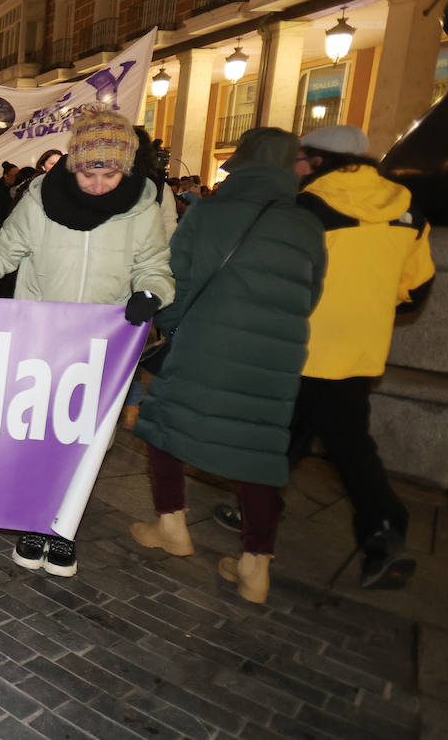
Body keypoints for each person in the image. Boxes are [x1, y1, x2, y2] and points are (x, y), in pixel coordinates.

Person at [0, 106, 173, 577]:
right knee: (39, 432)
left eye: (110, 172)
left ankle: (62, 530)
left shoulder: (143, 208)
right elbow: (5, 248)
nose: (99, 182)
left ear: (126, 168)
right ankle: (34, 519)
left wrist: (150, 294)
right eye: (91, 170)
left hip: (103, 346)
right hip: (43, 338)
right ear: (74, 163)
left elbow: (154, 264)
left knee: (86, 440)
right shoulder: (40, 200)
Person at [129, 128, 326, 604]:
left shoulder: (210, 212)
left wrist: (171, 327)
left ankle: (172, 524)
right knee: (260, 451)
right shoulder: (307, 226)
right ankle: (256, 565)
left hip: (206, 344)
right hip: (276, 357)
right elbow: (312, 293)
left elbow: (178, 280)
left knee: (162, 424)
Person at [291, 124, 435, 589]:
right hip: (362, 343)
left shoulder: (307, 205)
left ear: (315, 161)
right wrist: (371, 300)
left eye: (300, 158)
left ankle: (384, 524)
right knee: (301, 430)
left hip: (305, 337)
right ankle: (256, 505)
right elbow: (416, 288)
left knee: (342, 442)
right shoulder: (407, 208)